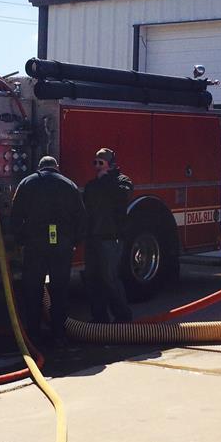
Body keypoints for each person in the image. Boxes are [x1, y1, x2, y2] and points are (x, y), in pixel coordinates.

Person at [10, 155, 85, 347]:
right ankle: (58, 334)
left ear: (39, 167)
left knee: (33, 290)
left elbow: (15, 215)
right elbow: (81, 217)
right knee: (59, 290)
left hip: (35, 245)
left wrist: (20, 240)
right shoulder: (69, 185)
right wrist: (74, 241)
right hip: (62, 245)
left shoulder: (27, 183)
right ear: (56, 167)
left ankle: (33, 334)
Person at [82, 147, 133, 324]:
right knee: (93, 278)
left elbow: (122, 195)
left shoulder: (122, 181)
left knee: (110, 278)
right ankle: (99, 317)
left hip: (111, 238)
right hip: (93, 238)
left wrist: (105, 180)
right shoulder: (92, 185)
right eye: (95, 162)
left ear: (110, 165)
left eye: (101, 163)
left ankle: (123, 317)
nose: (97, 166)